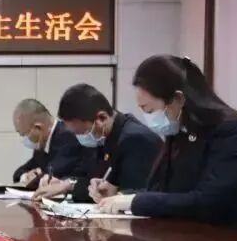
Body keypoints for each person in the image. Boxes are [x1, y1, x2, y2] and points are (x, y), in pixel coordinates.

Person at [97, 55, 237, 230]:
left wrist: (136, 202)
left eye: (150, 110)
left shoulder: (234, 131)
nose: (148, 118)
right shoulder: (180, 133)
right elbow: (164, 192)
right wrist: (120, 196)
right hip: (179, 237)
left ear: (178, 99)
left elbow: (212, 202)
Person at [33, 84, 161, 201]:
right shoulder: (103, 137)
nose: (80, 138)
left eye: (82, 132)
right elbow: (94, 181)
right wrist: (67, 184)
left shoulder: (134, 139)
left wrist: (115, 194)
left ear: (102, 118)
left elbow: (136, 194)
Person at [11, 98, 83, 186]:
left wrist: (35, 177)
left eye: (24, 134)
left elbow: (52, 174)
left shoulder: (68, 136)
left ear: (38, 128)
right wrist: (26, 176)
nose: (24, 140)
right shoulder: (42, 145)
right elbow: (18, 173)